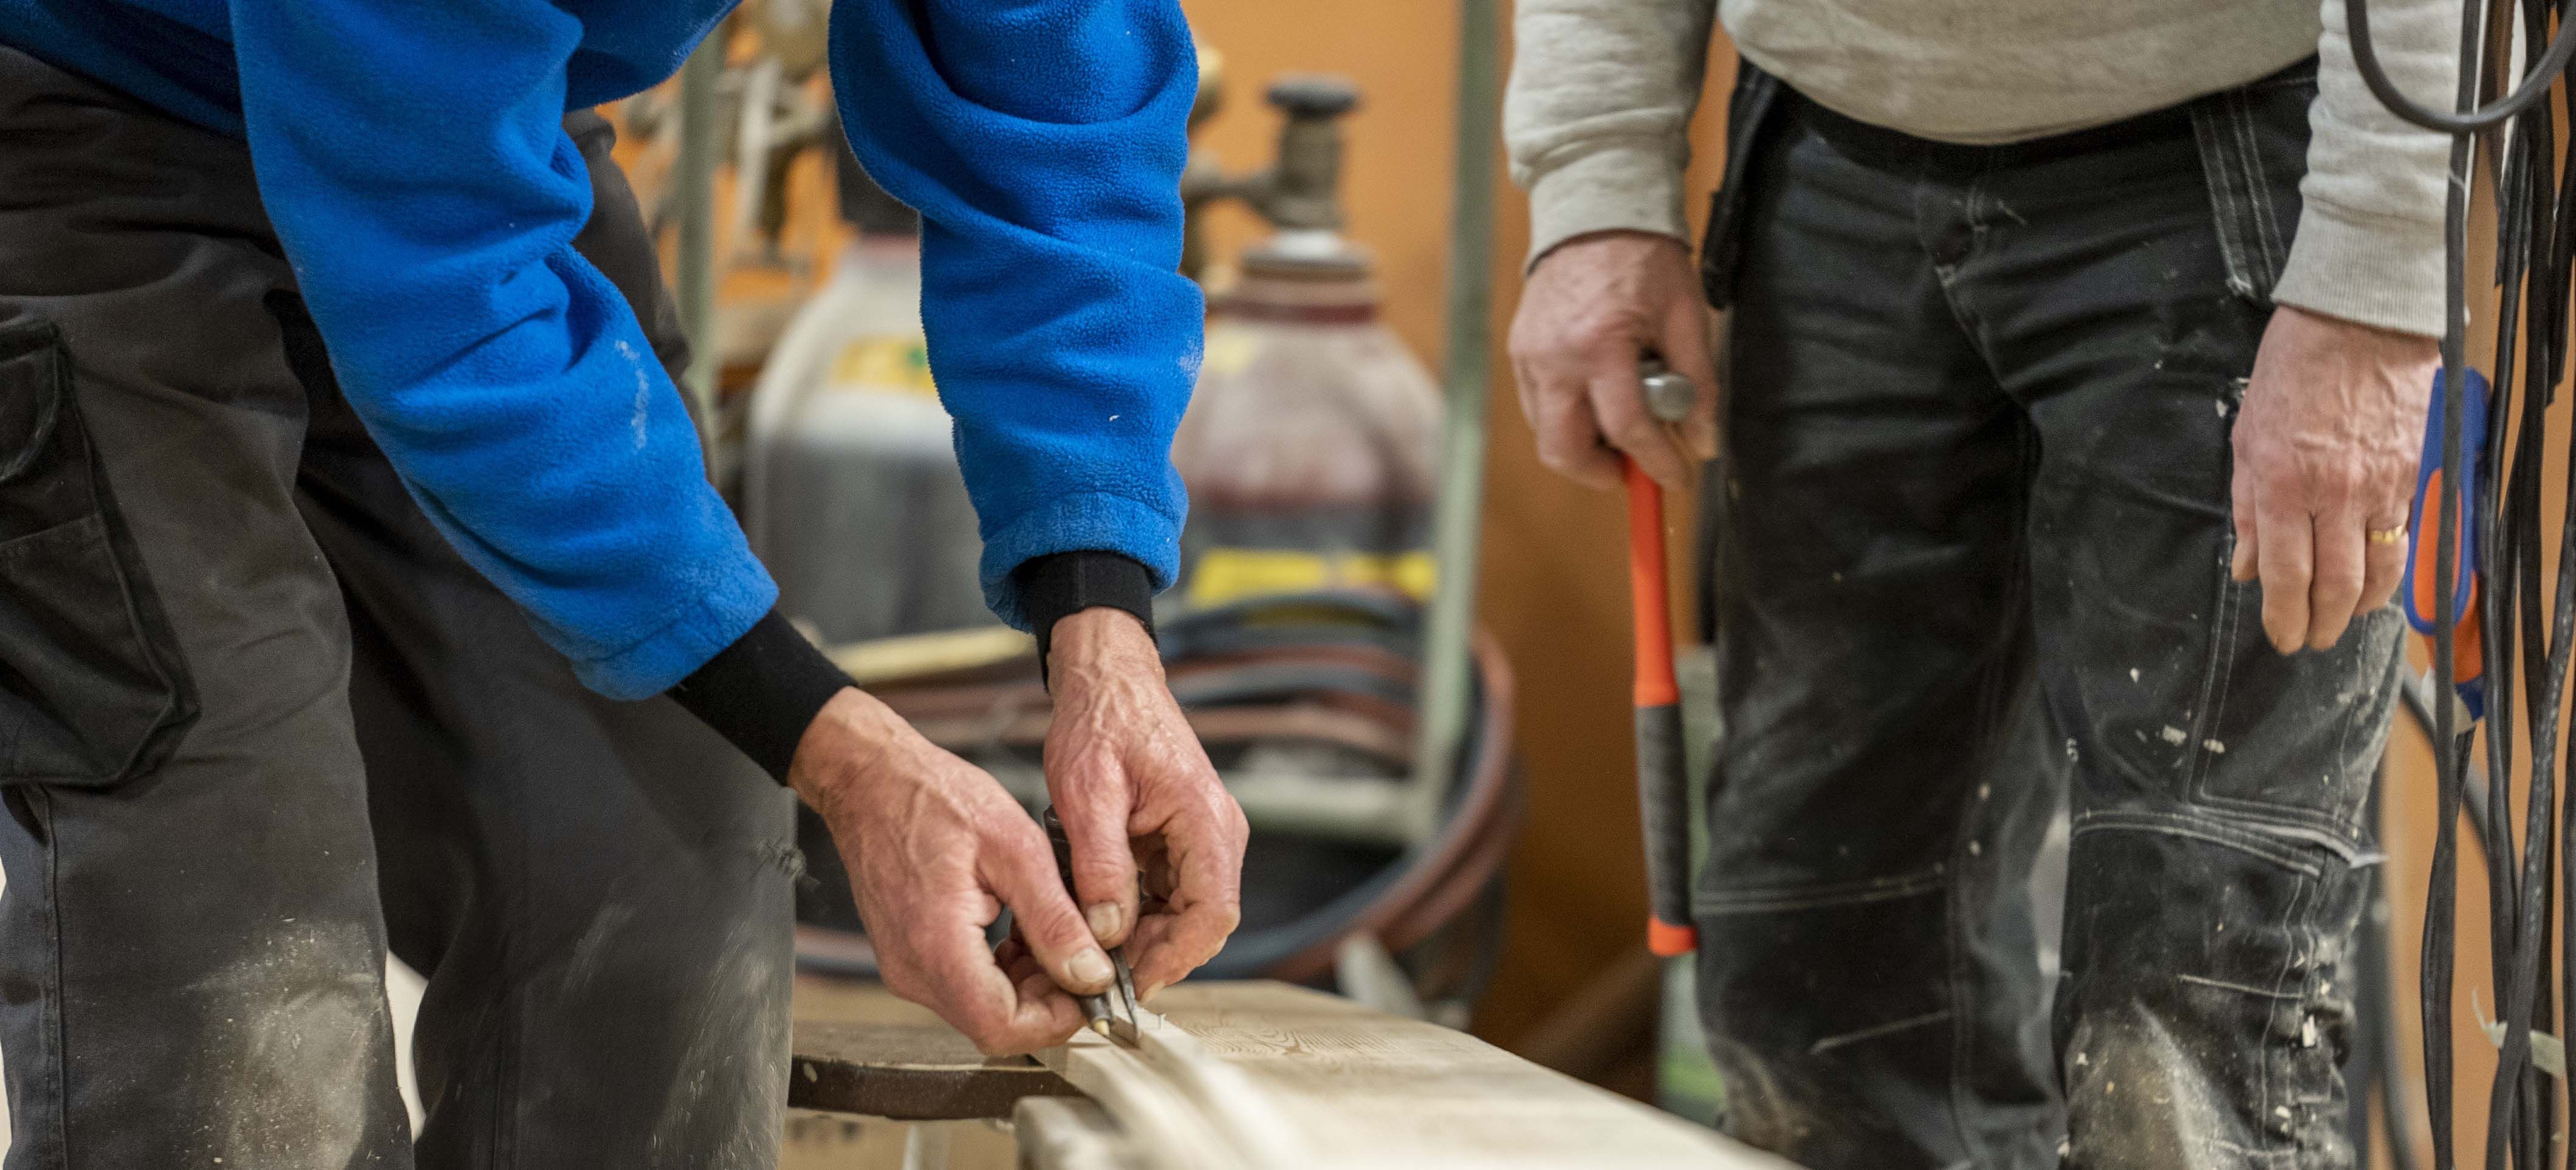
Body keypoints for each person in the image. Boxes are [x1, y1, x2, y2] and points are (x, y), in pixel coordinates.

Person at [0, 1, 1246, 1166]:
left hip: (482, 128)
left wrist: (1104, 633)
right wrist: (854, 763)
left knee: (668, 880)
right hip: (85, 106)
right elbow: (435, 288)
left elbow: (1051, 93)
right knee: (242, 971)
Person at [1506, 1, 2451, 1166]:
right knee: (1822, 984)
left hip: (2234, 165)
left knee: (2192, 1030)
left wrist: (2377, 277)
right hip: (1829, 153)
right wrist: (1593, 178)